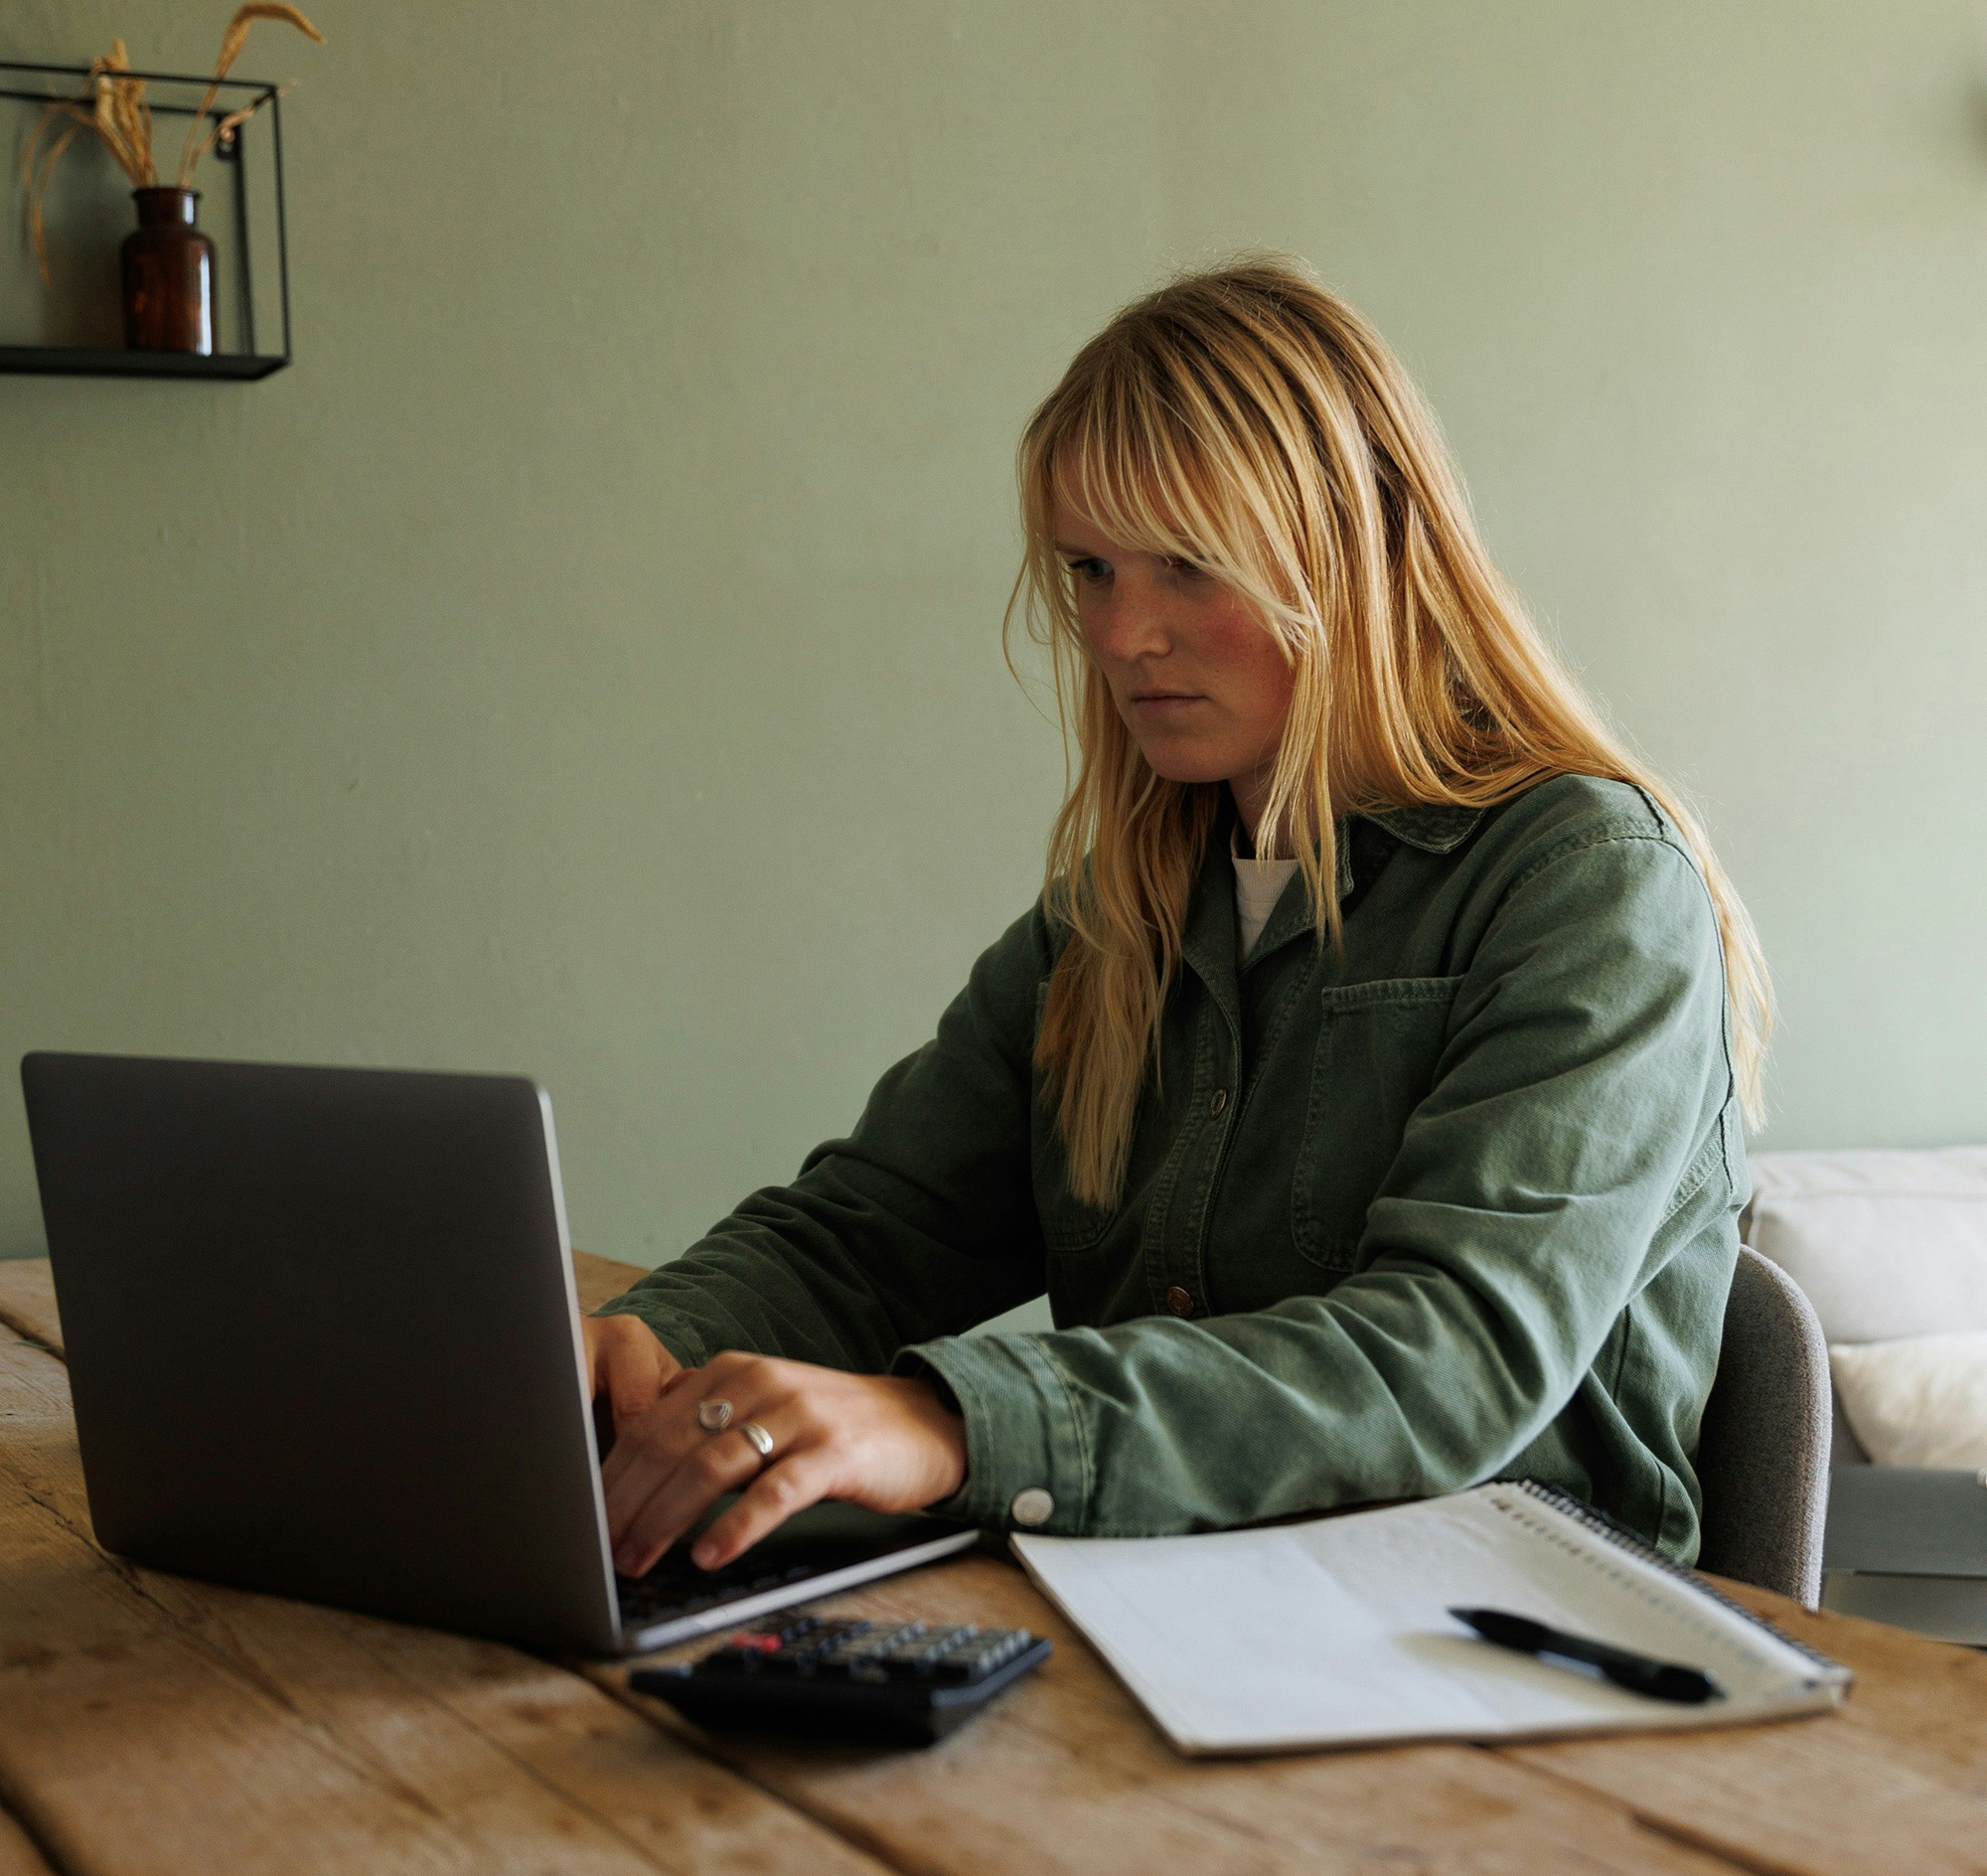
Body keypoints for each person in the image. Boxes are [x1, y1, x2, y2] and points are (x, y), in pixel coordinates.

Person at [585, 259, 1768, 1581]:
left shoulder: (1588, 884)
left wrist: (949, 1422)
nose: (1125, 633)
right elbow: (867, 1237)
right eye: (1090, 569)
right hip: (1158, 1602)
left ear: (1364, 546)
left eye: (1190, 568)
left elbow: (1449, 1357)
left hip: (1515, 1649)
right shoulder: (1113, 915)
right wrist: (636, 1346)